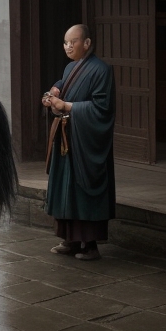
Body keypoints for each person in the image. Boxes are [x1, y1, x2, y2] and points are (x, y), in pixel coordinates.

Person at [42, 24, 116, 261]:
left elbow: (102, 109)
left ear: (87, 43)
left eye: (73, 42)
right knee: (66, 189)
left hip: (85, 140)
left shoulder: (101, 70)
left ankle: (90, 245)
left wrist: (67, 106)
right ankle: (70, 240)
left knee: (84, 190)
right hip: (67, 137)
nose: (68, 46)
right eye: (65, 42)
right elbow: (65, 84)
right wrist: (54, 92)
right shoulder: (71, 67)